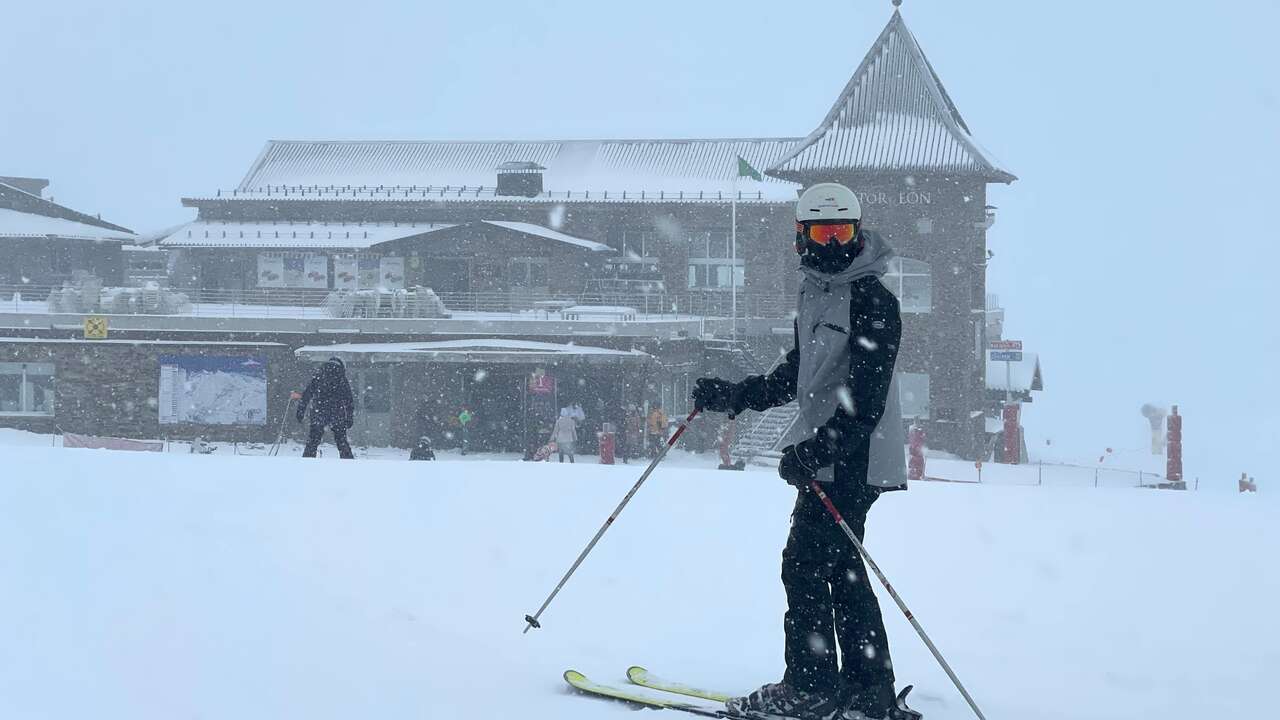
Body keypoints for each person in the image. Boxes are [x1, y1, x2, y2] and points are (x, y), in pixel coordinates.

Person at [691, 183, 916, 720]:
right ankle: (863, 693)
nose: (834, 243)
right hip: (830, 453)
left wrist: (818, 449)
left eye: (844, 232)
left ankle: (814, 687)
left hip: (856, 457)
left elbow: (864, 399)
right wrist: (737, 396)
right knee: (836, 570)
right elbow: (801, 373)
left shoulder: (873, 300)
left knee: (808, 565)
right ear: (801, 237)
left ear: (858, 233)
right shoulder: (816, 293)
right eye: (822, 231)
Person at [296, 356, 355, 459]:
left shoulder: (319, 376)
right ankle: (348, 462)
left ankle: (307, 461)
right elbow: (348, 400)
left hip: (319, 411)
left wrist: (301, 411)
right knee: (341, 440)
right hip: (337, 412)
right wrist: (349, 417)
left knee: (313, 440)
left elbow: (307, 395)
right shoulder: (341, 378)